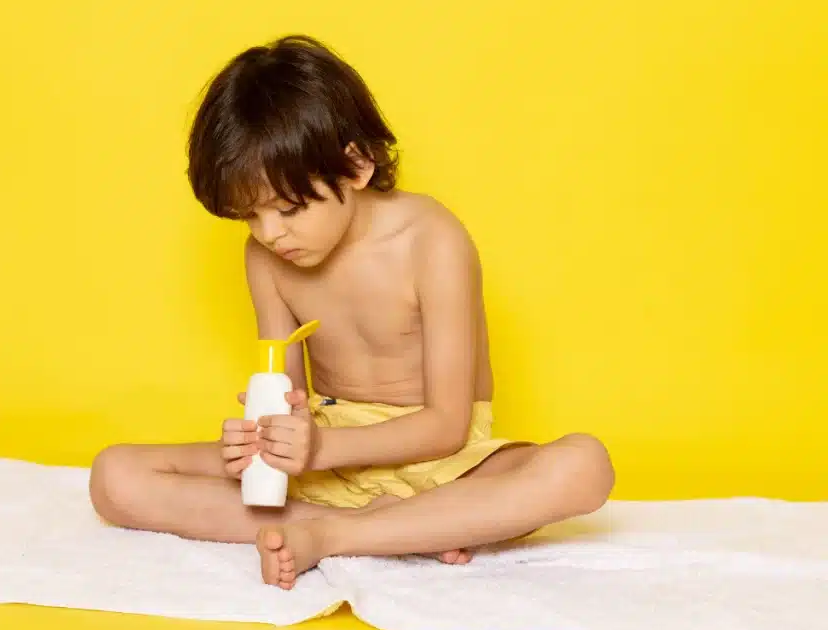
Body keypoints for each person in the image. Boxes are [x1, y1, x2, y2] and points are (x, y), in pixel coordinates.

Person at [89, 34, 614, 590]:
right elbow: (287, 402)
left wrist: (320, 448)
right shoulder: (266, 257)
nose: (270, 234)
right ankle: (402, 529)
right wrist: (263, 444)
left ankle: (333, 536)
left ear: (356, 166)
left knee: (584, 466)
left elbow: (446, 424)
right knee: (115, 476)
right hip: (326, 461)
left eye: (288, 209)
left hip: (444, 463)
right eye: (249, 218)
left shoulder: (430, 239)